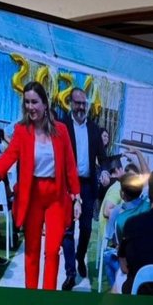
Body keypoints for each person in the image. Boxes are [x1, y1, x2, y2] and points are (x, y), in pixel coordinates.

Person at [0, 81, 80, 290]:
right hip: (32, 196)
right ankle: (31, 297)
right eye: (26, 102)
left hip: (56, 197)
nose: (30, 107)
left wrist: (77, 197)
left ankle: (47, 297)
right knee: (32, 250)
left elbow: (70, 166)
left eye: (34, 102)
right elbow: (7, 158)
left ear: (45, 103)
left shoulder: (61, 130)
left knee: (52, 251)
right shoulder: (21, 130)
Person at [59, 86, 109, 289]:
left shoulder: (95, 129)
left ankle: (80, 256)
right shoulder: (62, 126)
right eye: (77, 103)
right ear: (70, 103)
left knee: (86, 228)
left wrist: (104, 171)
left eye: (83, 103)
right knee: (67, 230)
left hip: (88, 186)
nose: (81, 107)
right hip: (67, 186)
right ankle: (70, 273)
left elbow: (103, 158)